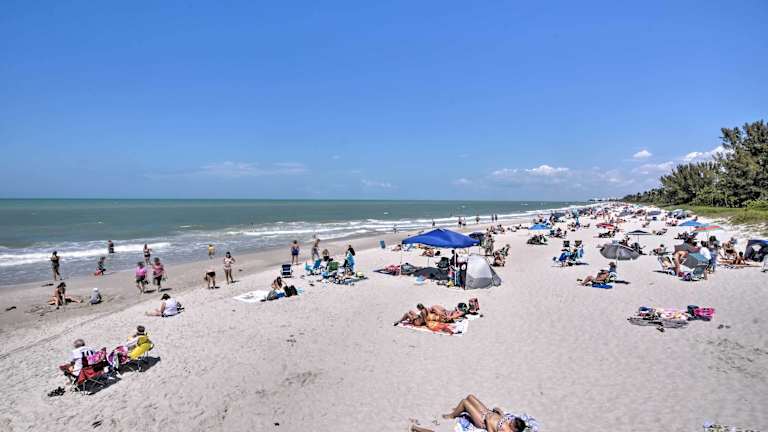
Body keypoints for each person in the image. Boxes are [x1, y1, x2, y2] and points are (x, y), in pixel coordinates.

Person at [408, 395, 529, 432]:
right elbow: (502, 418)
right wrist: (499, 412)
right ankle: (460, 410)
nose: (511, 420)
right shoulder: (509, 423)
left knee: (465, 402)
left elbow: (491, 429)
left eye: (513, 422)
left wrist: (488, 420)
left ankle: (452, 415)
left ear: (515, 428)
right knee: (470, 397)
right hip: (488, 412)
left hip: (483, 420)